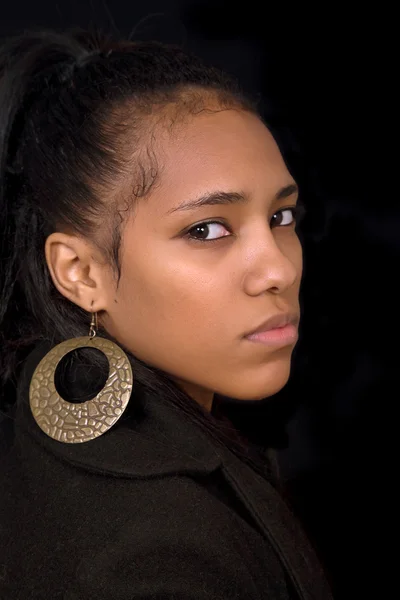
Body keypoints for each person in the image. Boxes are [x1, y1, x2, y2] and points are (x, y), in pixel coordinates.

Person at [0, 27, 333, 599]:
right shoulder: (155, 560)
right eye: (206, 230)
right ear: (82, 273)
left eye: (281, 217)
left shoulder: (52, 447)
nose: (278, 269)